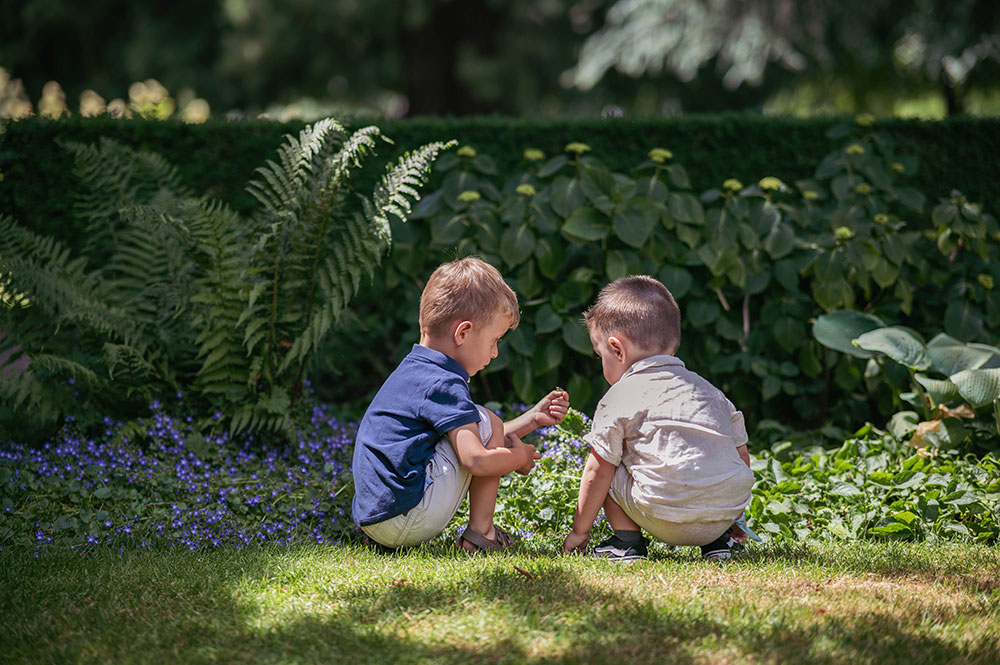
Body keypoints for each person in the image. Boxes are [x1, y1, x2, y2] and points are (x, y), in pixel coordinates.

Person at [351, 257, 569, 553]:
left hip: (377, 521)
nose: (494, 353)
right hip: (408, 517)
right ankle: (481, 535)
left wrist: (531, 420)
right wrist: (520, 457)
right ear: (463, 333)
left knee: (482, 421)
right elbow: (477, 459)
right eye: (494, 340)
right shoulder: (444, 383)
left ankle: (400, 539)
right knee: (486, 417)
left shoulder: (413, 371)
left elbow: (466, 436)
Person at [562, 275, 755, 561]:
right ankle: (717, 545)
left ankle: (626, 542)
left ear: (617, 349)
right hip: (721, 515)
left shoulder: (619, 396)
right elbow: (740, 454)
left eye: (599, 354)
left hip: (663, 515)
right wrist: (732, 515)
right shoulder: (710, 392)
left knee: (606, 462)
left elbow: (596, 471)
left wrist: (580, 532)